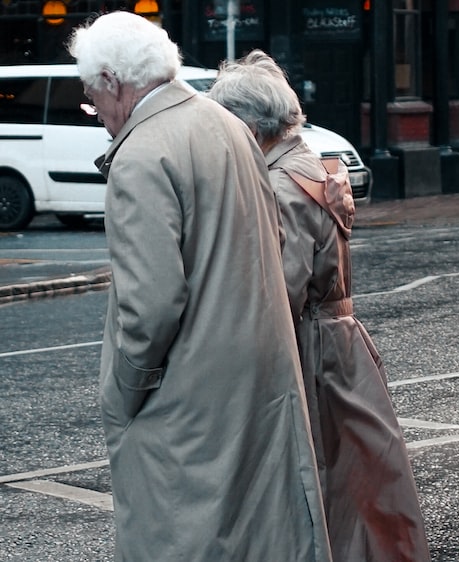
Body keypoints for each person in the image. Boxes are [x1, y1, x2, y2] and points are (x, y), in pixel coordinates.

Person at [68, 14, 332, 562]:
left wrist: (123, 394)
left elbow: (151, 307)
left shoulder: (141, 154)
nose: (97, 114)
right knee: (258, 535)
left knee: (181, 538)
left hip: (184, 400)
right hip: (257, 379)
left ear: (114, 80)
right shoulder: (226, 123)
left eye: (92, 96)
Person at [208, 50, 431, 562]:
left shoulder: (282, 183)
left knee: (321, 480)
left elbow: (280, 291)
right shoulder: (310, 162)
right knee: (357, 481)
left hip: (311, 348)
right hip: (337, 342)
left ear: (249, 123)